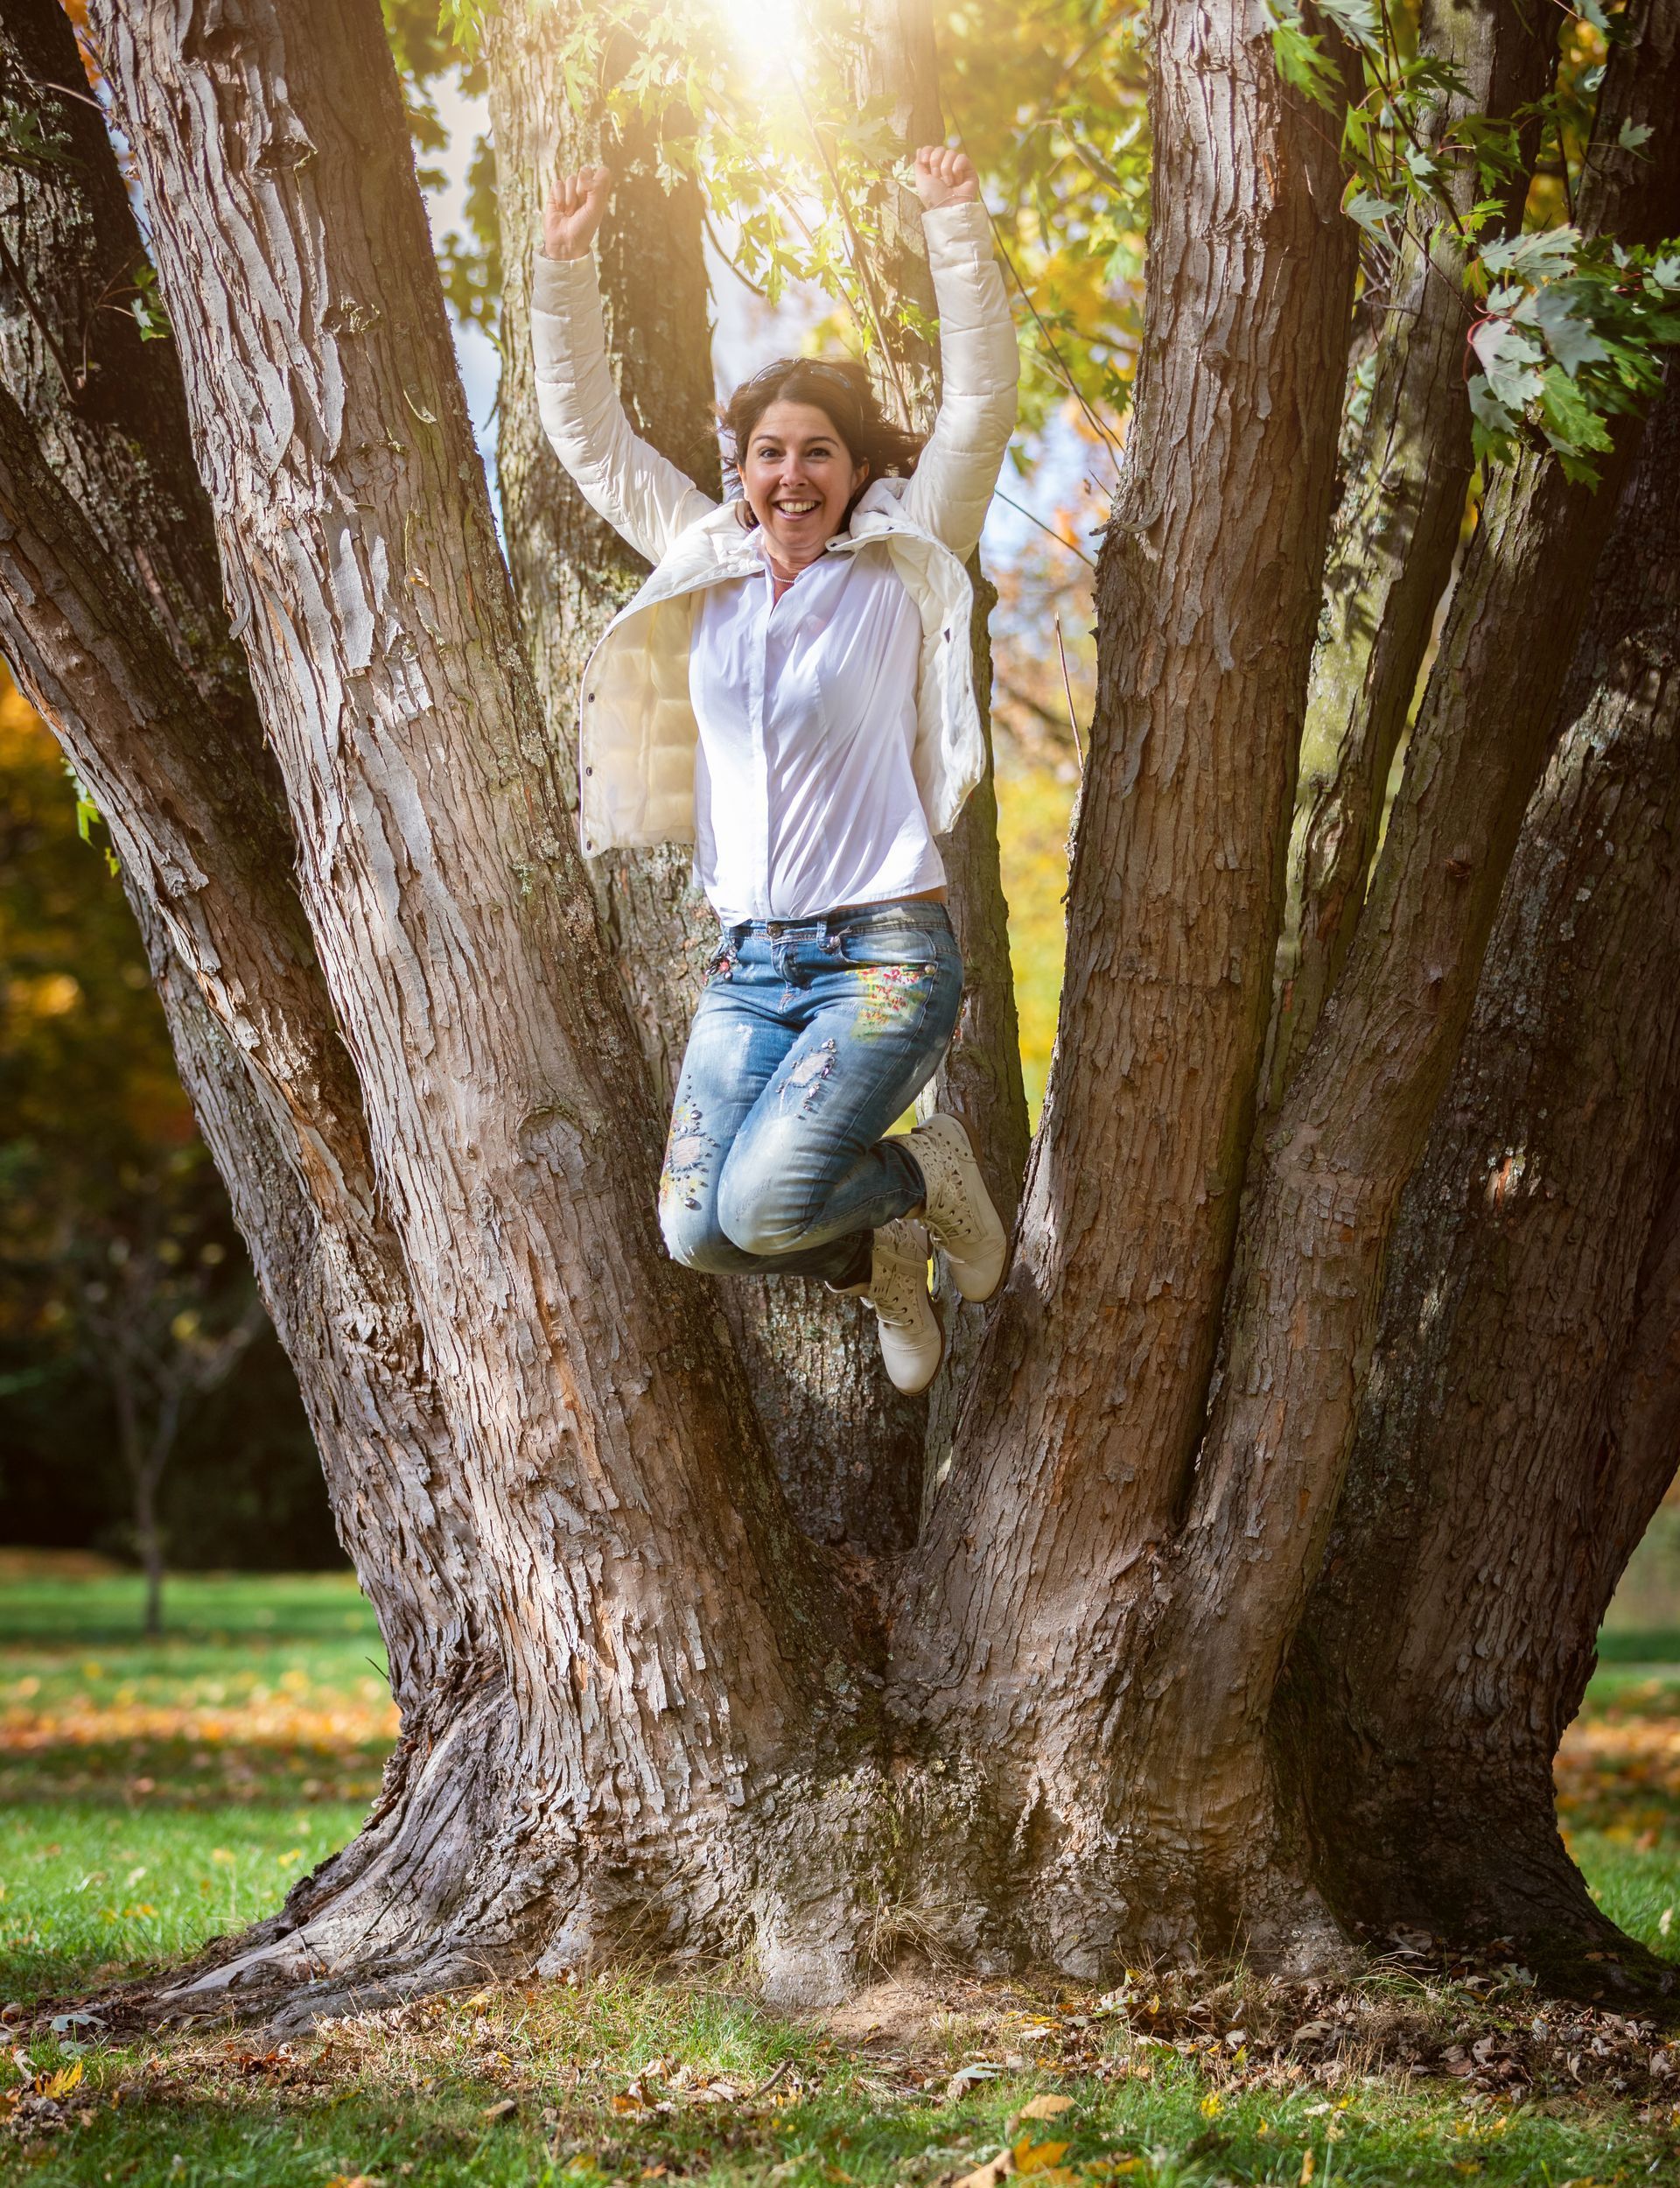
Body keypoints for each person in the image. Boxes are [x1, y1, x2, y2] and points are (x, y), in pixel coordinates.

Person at [532, 144, 1017, 1396]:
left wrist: (954, 223)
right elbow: (587, 440)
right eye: (767, 453)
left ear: (856, 470)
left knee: (762, 1199)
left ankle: (925, 1174)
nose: (790, 474)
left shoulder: (903, 562)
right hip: (751, 964)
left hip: (883, 953)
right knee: (697, 1229)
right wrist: (563, 263)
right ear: (740, 470)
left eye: (817, 453)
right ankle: (884, 1248)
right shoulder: (706, 563)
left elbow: (979, 409)